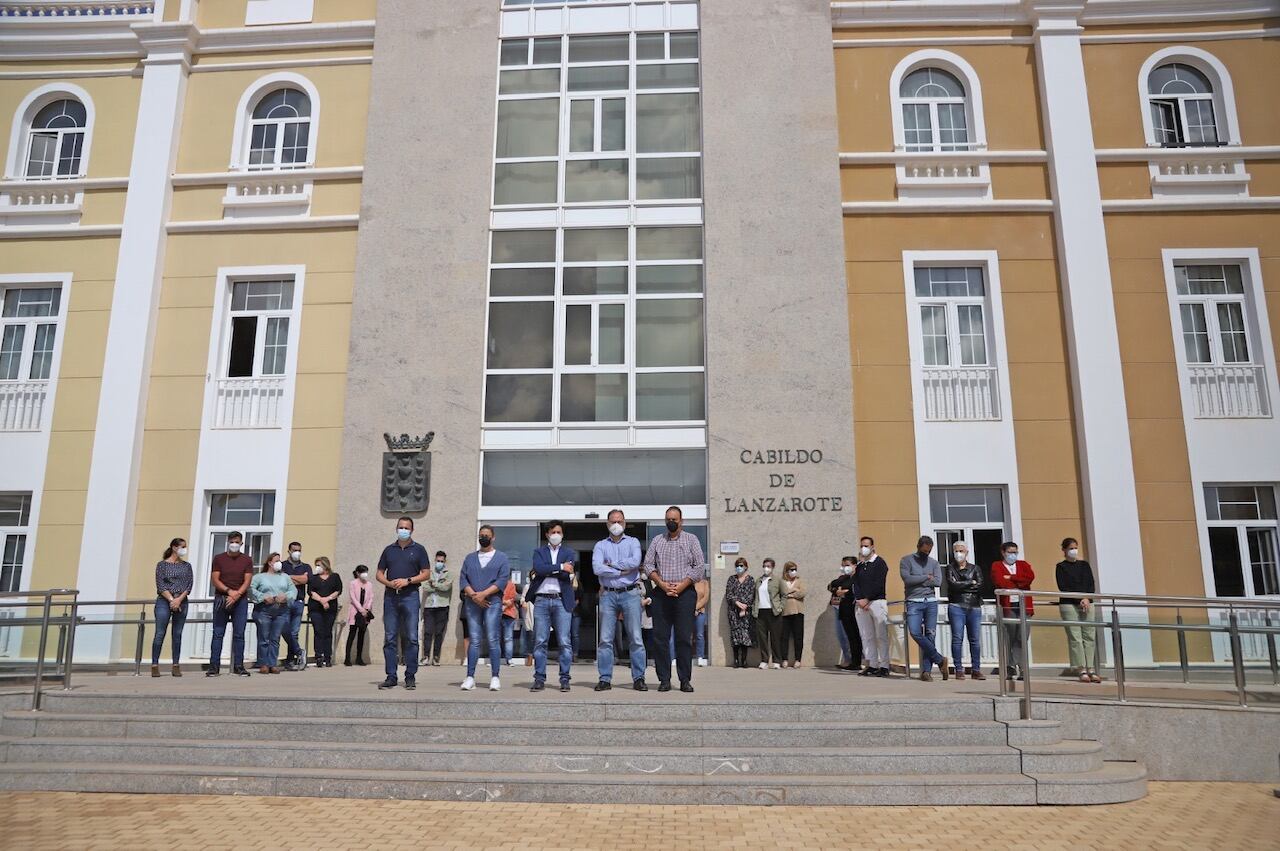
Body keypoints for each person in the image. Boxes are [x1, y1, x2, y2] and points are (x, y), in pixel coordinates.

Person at [642, 506, 705, 692]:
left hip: (685, 593)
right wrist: (661, 584)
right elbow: (647, 565)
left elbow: (699, 566)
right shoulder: (657, 540)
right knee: (660, 638)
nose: (671, 522)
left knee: (684, 638)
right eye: (668, 519)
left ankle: (685, 679)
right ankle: (664, 680)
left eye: (674, 519)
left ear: (681, 521)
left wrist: (683, 584)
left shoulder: (691, 540)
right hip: (662, 594)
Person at [592, 509, 648, 692]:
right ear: (607, 524)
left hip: (630, 593)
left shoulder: (633, 542)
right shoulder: (600, 545)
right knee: (605, 640)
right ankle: (605, 679)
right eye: (613, 521)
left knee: (636, 638)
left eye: (620, 521)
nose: (616, 524)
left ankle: (639, 678)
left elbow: (635, 562)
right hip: (608, 594)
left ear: (624, 523)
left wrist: (611, 566)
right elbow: (597, 568)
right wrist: (620, 571)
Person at [376, 516, 430, 690]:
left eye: (406, 527)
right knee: (390, 638)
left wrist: (408, 580)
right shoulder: (388, 550)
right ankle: (391, 676)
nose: (403, 530)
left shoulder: (419, 550)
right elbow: (379, 574)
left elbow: (426, 573)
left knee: (412, 638)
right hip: (391, 597)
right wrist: (389, 583)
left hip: (410, 596)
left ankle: (410, 676)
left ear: (412, 530)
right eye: (400, 527)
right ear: (396, 529)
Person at [528, 521, 577, 693]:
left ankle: (565, 679)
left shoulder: (569, 552)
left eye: (559, 532)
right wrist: (560, 567)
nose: (556, 534)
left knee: (564, 641)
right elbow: (539, 569)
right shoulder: (538, 552)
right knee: (540, 641)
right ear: (547, 534)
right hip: (541, 600)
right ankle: (539, 679)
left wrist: (554, 570)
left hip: (561, 600)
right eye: (553, 532)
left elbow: (567, 573)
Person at [460, 524, 510, 691]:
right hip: (473, 603)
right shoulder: (469, 558)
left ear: (493, 537)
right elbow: (463, 579)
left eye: (487, 535)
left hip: (492, 602)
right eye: (481, 535)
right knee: (474, 640)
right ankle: (470, 677)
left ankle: (495, 676)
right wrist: (475, 596)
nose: (484, 537)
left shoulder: (501, 558)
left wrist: (483, 595)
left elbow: (502, 580)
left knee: (493, 638)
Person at [901, 536, 949, 682]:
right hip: (913, 602)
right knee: (914, 632)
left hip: (931, 602)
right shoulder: (906, 560)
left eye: (929, 551)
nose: (926, 554)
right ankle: (940, 659)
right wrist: (926, 577)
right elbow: (907, 579)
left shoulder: (934, 563)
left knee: (930, 635)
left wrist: (919, 578)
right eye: (924, 551)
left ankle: (926, 672)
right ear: (918, 546)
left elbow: (938, 582)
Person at [208, 531, 254, 677]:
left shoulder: (247, 560)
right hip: (222, 598)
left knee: (239, 634)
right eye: (232, 541)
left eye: (237, 542)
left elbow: (247, 580)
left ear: (241, 543)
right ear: (228, 542)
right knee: (218, 633)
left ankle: (239, 666)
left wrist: (237, 594)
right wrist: (229, 592)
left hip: (240, 601)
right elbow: (215, 579)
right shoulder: (219, 558)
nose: (234, 544)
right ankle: (214, 666)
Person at [1057, 537, 1100, 684]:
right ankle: (1081, 669)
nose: (1073, 551)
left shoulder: (1084, 565)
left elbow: (1090, 583)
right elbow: (1064, 586)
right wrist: (1079, 599)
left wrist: (1087, 598)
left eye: (1075, 547)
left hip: (1087, 603)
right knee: (1075, 637)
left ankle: (1091, 668)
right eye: (1070, 548)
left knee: (1089, 635)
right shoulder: (1061, 566)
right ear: (1064, 550)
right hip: (1069, 604)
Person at [992, 541, 1035, 681]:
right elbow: (999, 582)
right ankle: (1012, 666)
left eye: (1015, 552)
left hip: (1024, 606)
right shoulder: (997, 565)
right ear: (1003, 552)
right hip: (1008, 606)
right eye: (1010, 552)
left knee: (1022, 636)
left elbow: (1029, 578)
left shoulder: (1023, 565)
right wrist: (1017, 582)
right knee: (1010, 636)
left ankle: (1019, 666)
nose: (1013, 555)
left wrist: (1011, 577)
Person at [151, 537, 193, 678]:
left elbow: (189, 585)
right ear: (174, 547)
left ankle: (176, 664)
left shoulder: (186, 566)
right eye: (182, 546)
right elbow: (161, 585)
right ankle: (155, 664)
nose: (184, 549)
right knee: (159, 633)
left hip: (182, 601)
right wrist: (171, 600)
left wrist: (179, 600)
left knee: (177, 634)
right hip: (164, 601)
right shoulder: (162, 565)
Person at [944, 541, 985, 681]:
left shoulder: (975, 568)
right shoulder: (950, 568)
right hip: (956, 605)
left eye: (961, 550)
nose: (958, 553)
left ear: (967, 552)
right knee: (957, 638)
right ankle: (959, 669)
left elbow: (979, 586)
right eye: (956, 551)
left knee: (975, 640)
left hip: (974, 606)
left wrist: (964, 585)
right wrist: (970, 582)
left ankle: (976, 670)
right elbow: (952, 585)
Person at [853, 535, 890, 677]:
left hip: (877, 602)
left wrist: (868, 599)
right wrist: (860, 599)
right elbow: (855, 584)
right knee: (867, 636)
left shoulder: (880, 563)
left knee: (881, 635)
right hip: (862, 605)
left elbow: (879, 584)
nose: (864, 548)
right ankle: (872, 665)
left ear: (873, 547)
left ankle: (884, 666)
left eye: (867, 545)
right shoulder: (861, 565)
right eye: (862, 545)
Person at [251, 553, 293, 674]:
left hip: (280, 610)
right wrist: (262, 597)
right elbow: (251, 589)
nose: (279, 563)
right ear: (270, 563)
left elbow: (292, 590)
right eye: (277, 560)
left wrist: (286, 596)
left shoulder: (285, 577)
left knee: (275, 638)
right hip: (264, 610)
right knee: (264, 638)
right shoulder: (259, 577)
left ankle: (272, 663)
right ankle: (263, 664)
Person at [279, 540, 310, 671]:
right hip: (284, 601)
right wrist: (298, 578)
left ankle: (291, 659)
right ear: (289, 551)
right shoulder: (281, 565)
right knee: (284, 629)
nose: (297, 552)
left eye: (299, 550)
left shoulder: (306, 566)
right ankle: (299, 651)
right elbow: (280, 579)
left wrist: (288, 577)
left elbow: (307, 579)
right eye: (294, 550)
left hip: (298, 601)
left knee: (294, 632)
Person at [828, 556, 863, 671]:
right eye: (843, 565)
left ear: (854, 565)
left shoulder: (858, 577)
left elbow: (856, 590)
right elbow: (831, 585)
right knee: (850, 636)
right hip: (844, 610)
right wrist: (836, 591)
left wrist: (846, 593)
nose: (845, 567)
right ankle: (853, 662)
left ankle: (859, 661)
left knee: (857, 636)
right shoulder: (843, 578)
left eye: (847, 565)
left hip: (855, 609)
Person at [307, 557, 342, 667]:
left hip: (330, 608)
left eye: (319, 565)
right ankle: (318, 656)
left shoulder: (335, 577)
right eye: (316, 564)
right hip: (316, 608)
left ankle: (328, 657)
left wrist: (328, 599)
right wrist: (322, 600)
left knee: (327, 632)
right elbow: (311, 591)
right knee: (318, 631)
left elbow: (338, 590)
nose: (317, 567)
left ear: (325, 565)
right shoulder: (313, 578)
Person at [421, 550, 452, 666]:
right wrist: (438, 586)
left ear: (445, 562)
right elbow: (425, 588)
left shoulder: (448, 574)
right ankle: (425, 657)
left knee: (439, 633)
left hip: (442, 607)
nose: (439, 563)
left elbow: (447, 588)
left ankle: (436, 657)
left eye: (441, 561)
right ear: (434, 560)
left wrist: (434, 584)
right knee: (428, 632)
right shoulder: (428, 573)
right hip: (429, 606)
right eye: (438, 561)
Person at [725, 557, 756, 668]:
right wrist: (737, 603)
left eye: (741, 565)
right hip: (733, 612)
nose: (739, 568)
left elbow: (751, 595)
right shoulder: (731, 579)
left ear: (746, 567)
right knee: (735, 635)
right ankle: (736, 660)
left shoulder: (751, 580)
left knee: (745, 636)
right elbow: (729, 594)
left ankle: (744, 660)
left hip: (746, 612)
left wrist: (744, 608)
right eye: (737, 565)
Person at [754, 558, 783, 669]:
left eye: (768, 566)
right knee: (762, 638)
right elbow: (755, 596)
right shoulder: (758, 580)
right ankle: (764, 661)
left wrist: (780, 607)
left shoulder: (777, 580)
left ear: (772, 567)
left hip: (773, 611)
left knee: (775, 637)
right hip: (760, 611)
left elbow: (784, 595)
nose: (766, 568)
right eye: (764, 566)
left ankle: (776, 661)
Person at [344, 565, 374, 666]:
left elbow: (371, 597)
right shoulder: (352, 583)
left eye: (366, 571)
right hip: (355, 611)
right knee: (352, 634)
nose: (365, 574)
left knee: (361, 634)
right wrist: (361, 609)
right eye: (363, 572)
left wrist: (367, 609)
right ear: (357, 573)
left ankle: (359, 658)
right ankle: (347, 658)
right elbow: (353, 598)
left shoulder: (369, 584)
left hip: (365, 613)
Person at [779, 562, 807, 668]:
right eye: (791, 569)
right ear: (786, 571)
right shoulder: (782, 581)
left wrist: (790, 594)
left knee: (798, 636)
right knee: (784, 637)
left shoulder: (800, 581)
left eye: (795, 569)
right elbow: (781, 594)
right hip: (785, 613)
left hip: (798, 612)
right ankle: (784, 659)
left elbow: (802, 593)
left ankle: (798, 659)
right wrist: (793, 591)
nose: (793, 571)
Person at [501, 576, 519, 666]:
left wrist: (502, 603)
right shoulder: (494, 583)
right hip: (496, 614)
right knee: (494, 638)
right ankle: (495, 659)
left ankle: (509, 659)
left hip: (509, 614)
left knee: (508, 638)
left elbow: (512, 599)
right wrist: (504, 602)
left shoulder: (511, 584)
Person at [693, 576, 710, 667]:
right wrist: (691, 609)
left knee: (700, 634)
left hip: (700, 612)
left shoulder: (704, 582)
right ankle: (687, 656)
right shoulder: (689, 581)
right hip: (688, 612)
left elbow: (706, 598)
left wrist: (696, 608)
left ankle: (700, 656)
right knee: (687, 635)